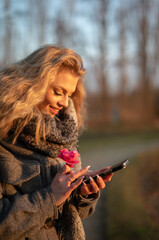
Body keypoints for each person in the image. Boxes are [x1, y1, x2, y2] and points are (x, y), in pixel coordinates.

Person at [0, 45, 112, 240]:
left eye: (69, 94)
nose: (65, 103)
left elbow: (72, 215)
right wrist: (50, 198)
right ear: (32, 84)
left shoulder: (62, 136)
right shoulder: (3, 136)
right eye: (59, 92)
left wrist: (82, 193)